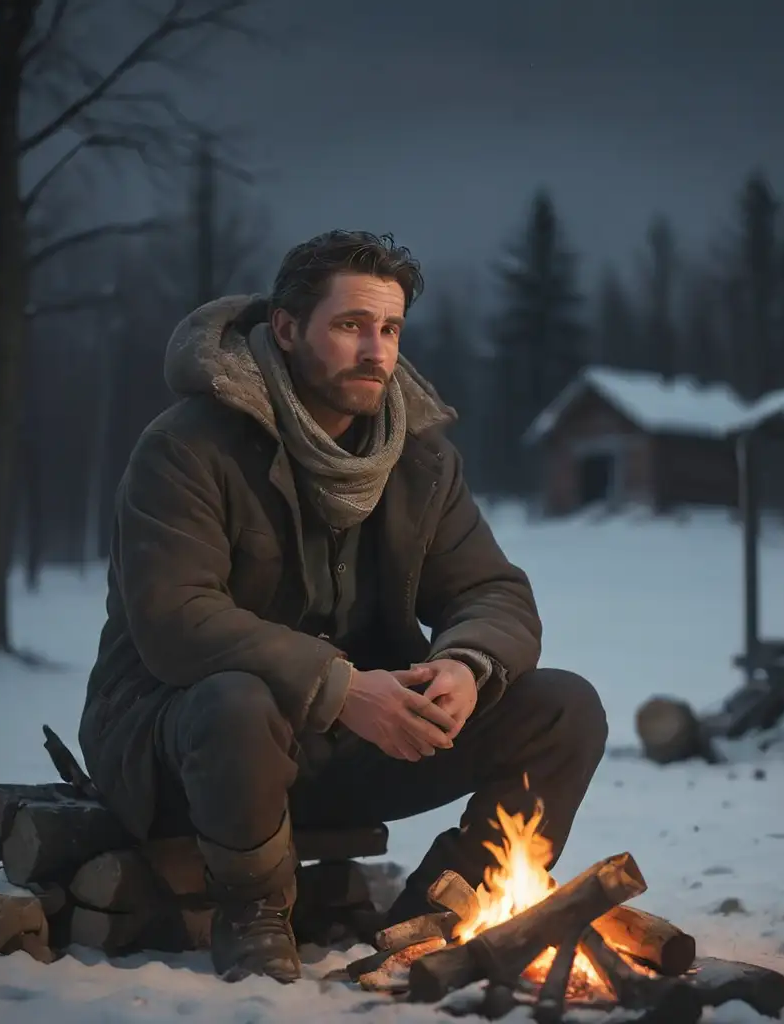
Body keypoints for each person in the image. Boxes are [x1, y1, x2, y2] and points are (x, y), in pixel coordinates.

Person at [78, 230, 608, 985]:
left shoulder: (419, 458)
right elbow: (175, 618)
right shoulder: (187, 447)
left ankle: (442, 911)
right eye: (351, 325)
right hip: (186, 746)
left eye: (390, 329)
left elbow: (493, 592)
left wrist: (466, 663)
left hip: (351, 738)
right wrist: (340, 687)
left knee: (565, 707)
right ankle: (254, 913)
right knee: (236, 700)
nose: (376, 349)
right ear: (288, 330)